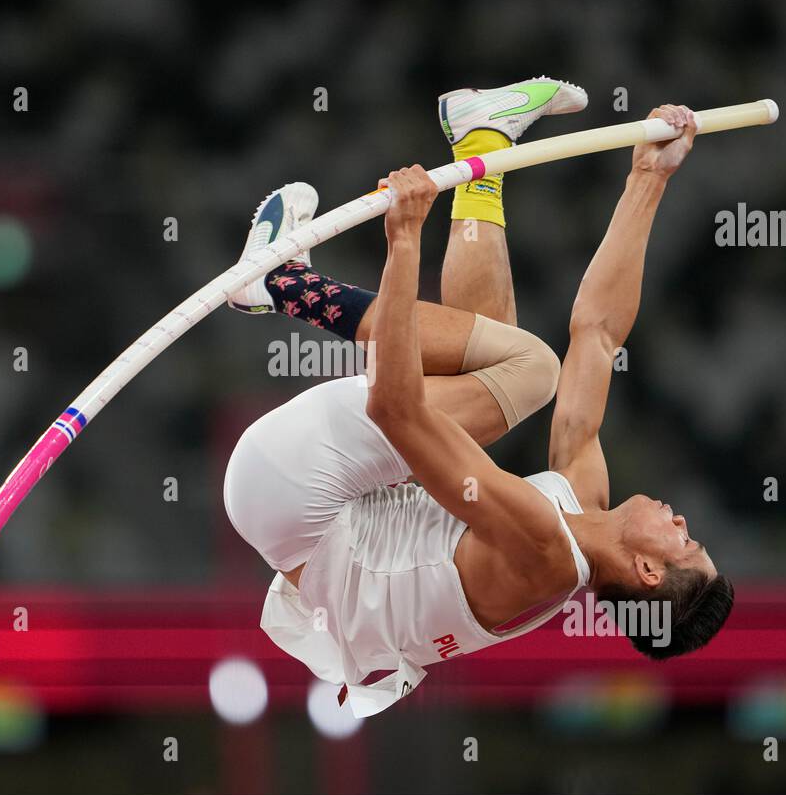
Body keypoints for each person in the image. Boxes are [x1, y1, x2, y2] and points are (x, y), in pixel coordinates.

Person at [223, 77, 734, 716]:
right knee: (499, 352)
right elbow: (599, 335)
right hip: (319, 507)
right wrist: (648, 180)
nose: (683, 522)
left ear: (649, 574)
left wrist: (403, 240)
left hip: (294, 492)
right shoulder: (582, 503)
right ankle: (481, 135)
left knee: (530, 371)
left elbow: (395, 409)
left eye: (685, 542)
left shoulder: (543, 555)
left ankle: (283, 283)